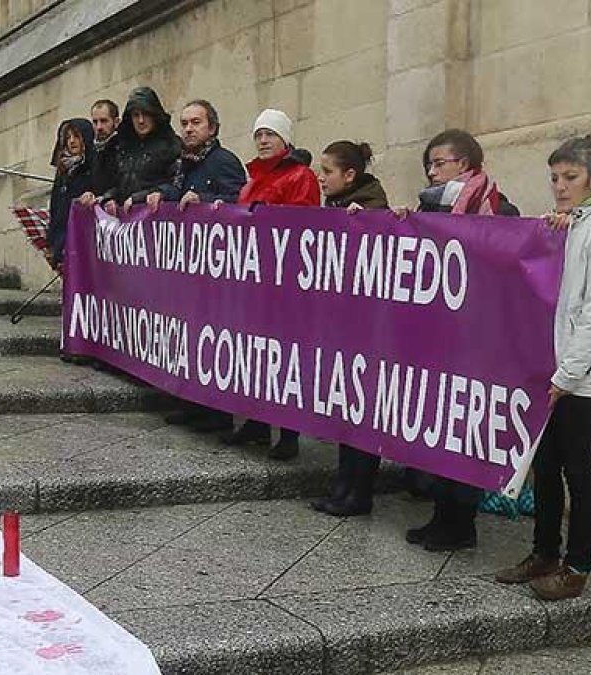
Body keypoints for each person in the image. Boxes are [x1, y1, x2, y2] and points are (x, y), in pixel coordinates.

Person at [495, 133, 591, 601]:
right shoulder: (569, 227)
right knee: (547, 466)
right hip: (550, 373)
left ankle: (577, 566)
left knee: (577, 469)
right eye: (554, 177)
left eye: (570, 177)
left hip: (579, 380)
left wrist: (568, 376)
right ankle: (544, 552)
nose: (559, 186)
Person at [401, 129, 521, 552]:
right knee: (439, 431)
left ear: (465, 165)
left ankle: (461, 522)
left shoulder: (500, 211)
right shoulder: (429, 211)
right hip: (439, 339)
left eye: (440, 163)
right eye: (429, 164)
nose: (432, 171)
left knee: (464, 434)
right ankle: (441, 516)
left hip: (479, 343)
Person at [219, 108, 320, 460]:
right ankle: (258, 422)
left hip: (284, 281)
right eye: (259, 134)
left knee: (284, 355)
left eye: (270, 135)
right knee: (257, 351)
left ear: (285, 140)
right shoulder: (253, 179)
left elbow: (301, 225)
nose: (263, 141)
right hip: (255, 279)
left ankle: (289, 433)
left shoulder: (300, 176)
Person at [150, 99, 247, 432]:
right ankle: (191, 403)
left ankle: (218, 414)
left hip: (217, 271)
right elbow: (176, 189)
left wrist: (204, 202)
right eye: (185, 123)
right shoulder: (184, 162)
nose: (189, 129)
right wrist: (159, 194)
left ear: (213, 128)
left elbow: (240, 206)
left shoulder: (225, 162)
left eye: (196, 123)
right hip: (187, 268)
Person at [308, 140, 389, 516]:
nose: (321, 179)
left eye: (327, 172)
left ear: (350, 175)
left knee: (363, 412)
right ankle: (345, 486)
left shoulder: (373, 212)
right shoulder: (338, 209)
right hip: (344, 329)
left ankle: (360, 491)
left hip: (369, 332)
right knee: (346, 411)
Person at [99, 87, 182, 215]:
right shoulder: (121, 147)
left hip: (157, 220)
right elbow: (115, 182)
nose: (141, 120)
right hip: (126, 225)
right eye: (136, 115)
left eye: (146, 114)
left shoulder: (171, 144)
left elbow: (177, 183)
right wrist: (110, 198)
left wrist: (144, 197)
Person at [44, 119, 96, 272]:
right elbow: (55, 208)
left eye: (76, 136)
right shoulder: (63, 170)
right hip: (62, 236)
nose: (72, 141)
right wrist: (51, 243)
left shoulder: (92, 166)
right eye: (68, 137)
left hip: (83, 237)